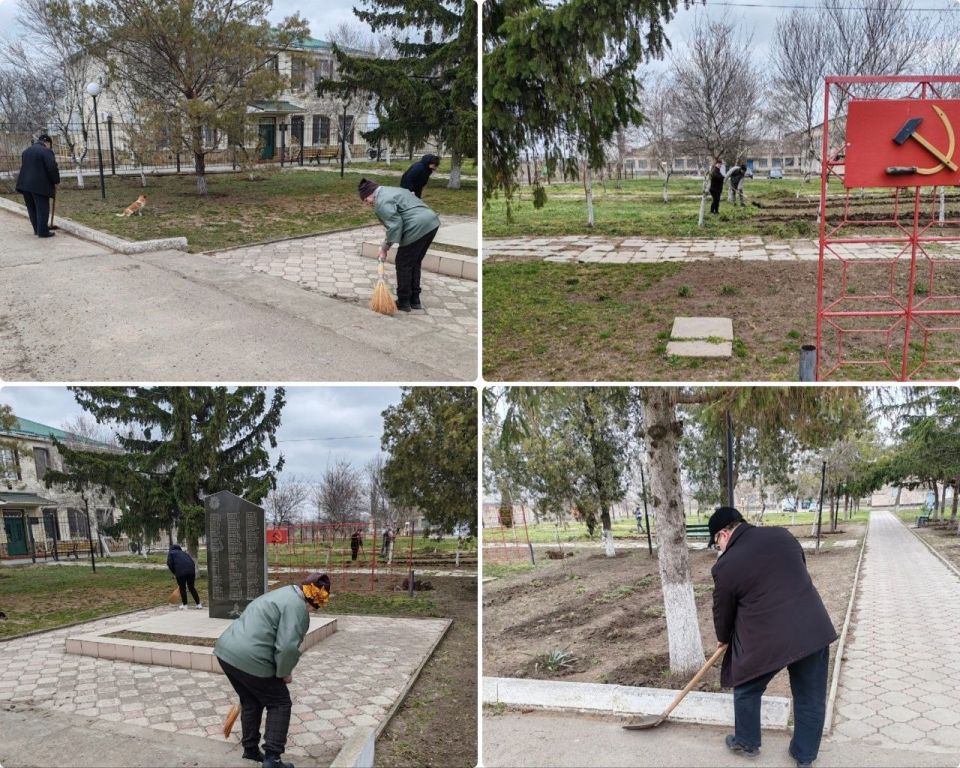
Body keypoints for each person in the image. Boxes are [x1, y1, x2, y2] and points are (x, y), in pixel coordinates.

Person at [709, 507, 837, 768]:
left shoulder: (726, 565)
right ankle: (804, 757)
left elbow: (723, 611)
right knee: (811, 697)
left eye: (716, 544)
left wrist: (723, 638)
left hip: (768, 640)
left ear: (723, 534)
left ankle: (747, 742)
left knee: (745, 686)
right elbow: (798, 569)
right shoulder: (782, 535)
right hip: (813, 629)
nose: (718, 549)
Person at [214, 573, 331, 768]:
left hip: (226, 651)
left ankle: (250, 750)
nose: (311, 611)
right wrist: (284, 673)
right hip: (250, 657)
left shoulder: (282, 593)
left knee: (251, 700)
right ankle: (272, 759)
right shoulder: (297, 607)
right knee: (280, 702)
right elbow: (286, 647)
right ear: (313, 598)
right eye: (314, 607)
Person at [359, 178, 441, 313]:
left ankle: (403, 301)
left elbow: (395, 226)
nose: (367, 203)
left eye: (366, 200)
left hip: (417, 226)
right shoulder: (392, 190)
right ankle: (415, 299)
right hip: (432, 222)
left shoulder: (381, 202)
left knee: (403, 263)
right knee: (414, 262)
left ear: (370, 194)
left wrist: (385, 248)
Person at [16, 133, 60, 238]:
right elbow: (52, 167)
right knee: (42, 208)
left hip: (24, 185)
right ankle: (43, 231)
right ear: (47, 143)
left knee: (32, 208)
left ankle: (37, 229)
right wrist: (56, 181)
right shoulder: (46, 151)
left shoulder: (26, 151)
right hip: (39, 186)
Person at [166, 544, 202, 610]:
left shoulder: (171, 553)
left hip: (180, 572)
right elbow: (192, 562)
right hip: (191, 571)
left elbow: (169, 563)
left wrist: (175, 572)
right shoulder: (184, 553)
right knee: (191, 587)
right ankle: (198, 604)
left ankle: (185, 605)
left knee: (182, 588)